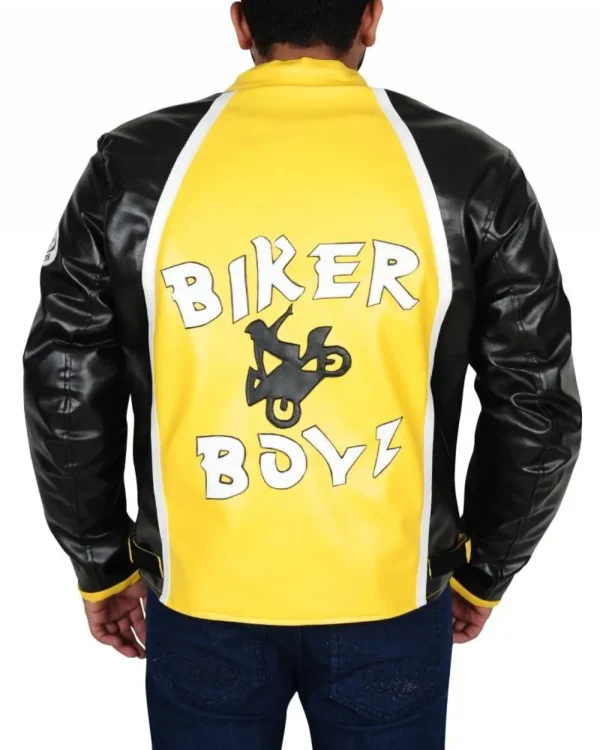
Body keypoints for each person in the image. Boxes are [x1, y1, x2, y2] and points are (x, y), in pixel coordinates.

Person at [23, 1, 582, 748]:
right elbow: (537, 403)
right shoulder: (471, 170)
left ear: (241, 23)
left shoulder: (133, 168)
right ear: (372, 18)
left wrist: (100, 562)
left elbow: (64, 384)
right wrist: (485, 569)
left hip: (200, 597)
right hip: (390, 599)